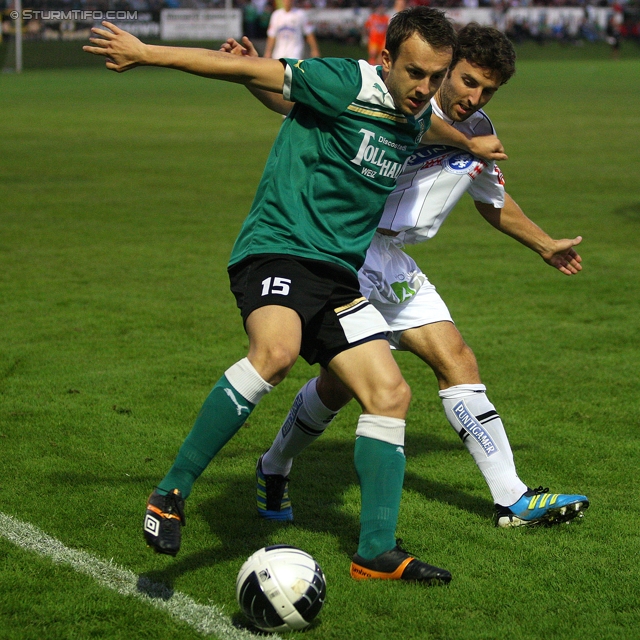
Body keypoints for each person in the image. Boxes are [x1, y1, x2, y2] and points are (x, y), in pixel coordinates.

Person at [84, 8, 499, 584]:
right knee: (275, 353)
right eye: (415, 73)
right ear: (386, 60)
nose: (425, 88)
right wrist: (147, 53)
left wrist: (471, 144)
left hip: (335, 276)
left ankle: (375, 551)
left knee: (390, 393)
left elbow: (429, 129)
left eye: (436, 76)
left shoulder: (414, 114)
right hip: (277, 249)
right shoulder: (346, 82)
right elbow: (258, 78)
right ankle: (171, 492)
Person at [249, 24, 590, 529]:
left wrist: (544, 244)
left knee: (456, 358)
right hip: (347, 249)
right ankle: (274, 467)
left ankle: (512, 499)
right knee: (340, 386)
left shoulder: (477, 131)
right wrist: (249, 78)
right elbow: (298, 102)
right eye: (469, 81)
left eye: (488, 90)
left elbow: (492, 199)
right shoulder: (396, 103)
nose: (474, 98)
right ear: (445, 67)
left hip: (392, 260)